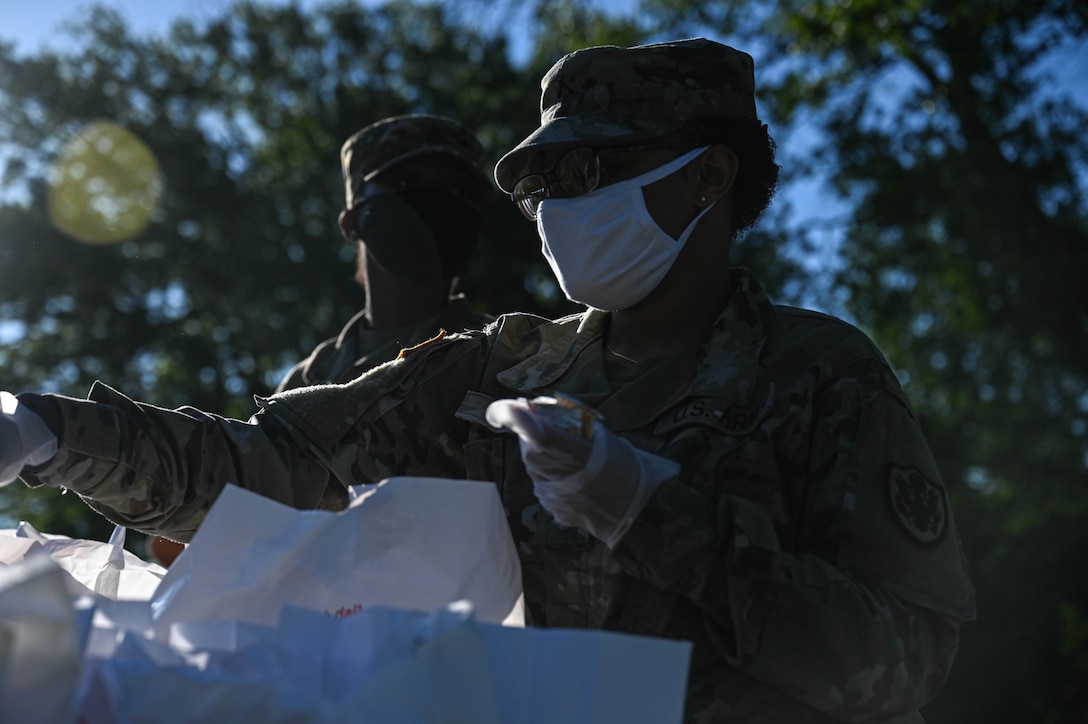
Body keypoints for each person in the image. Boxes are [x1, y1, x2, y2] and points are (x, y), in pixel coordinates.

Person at [1, 38, 975, 722]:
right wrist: (46, 433)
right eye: (542, 181)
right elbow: (271, 466)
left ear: (706, 179)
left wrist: (650, 510)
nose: (554, 207)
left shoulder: (817, 375)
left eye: (590, 169)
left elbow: (900, 664)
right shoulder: (503, 371)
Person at [276, 113, 495, 391]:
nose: (436, 206)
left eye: (457, 190)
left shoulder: (506, 355)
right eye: (406, 184)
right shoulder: (305, 383)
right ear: (353, 222)